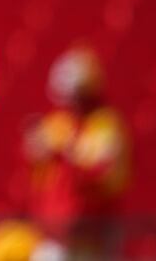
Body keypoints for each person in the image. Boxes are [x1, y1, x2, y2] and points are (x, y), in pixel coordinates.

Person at [23, 44, 131, 258]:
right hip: (56, 233)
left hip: (93, 236)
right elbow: (37, 160)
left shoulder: (107, 124)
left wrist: (67, 150)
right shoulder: (58, 123)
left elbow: (105, 171)